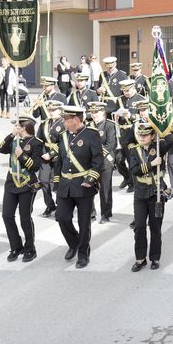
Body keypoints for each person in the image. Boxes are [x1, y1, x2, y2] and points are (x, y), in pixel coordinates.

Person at [55, 105, 103, 269]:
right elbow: (60, 160)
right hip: (65, 185)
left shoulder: (91, 135)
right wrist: (56, 181)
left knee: (84, 223)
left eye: (66, 119)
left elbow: (98, 161)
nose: (63, 122)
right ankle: (74, 243)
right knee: (62, 217)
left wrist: (90, 179)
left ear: (76, 120)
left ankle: (83, 254)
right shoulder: (62, 136)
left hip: (84, 185)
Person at [0, 114, 43, 262]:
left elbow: (35, 166)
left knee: (25, 218)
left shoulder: (36, 143)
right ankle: (16, 246)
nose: (15, 128)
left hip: (26, 183)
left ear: (24, 127)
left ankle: (30, 248)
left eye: (17, 126)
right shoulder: (14, 140)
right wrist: (11, 135)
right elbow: (1, 149)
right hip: (11, 182)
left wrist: (21, 155)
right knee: (7, 215)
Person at [129, 122, 173, 272]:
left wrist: (163, 124)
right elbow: (134, 170)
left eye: (146, 135)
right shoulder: (134, 150)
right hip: (140, 193)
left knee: (155, 227)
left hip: (156, 193)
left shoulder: (159, 147)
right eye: (140, 135)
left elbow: (171, 141)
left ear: (152, 135)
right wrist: (151, 164)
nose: (142, 137)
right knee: (139, 226)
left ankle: (155, 257)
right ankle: (140, 258)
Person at [86, 101, 117, 224]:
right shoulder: (88, 125)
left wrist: (95, 154)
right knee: (89, 187)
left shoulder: (109, 125)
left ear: (103, 112)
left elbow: (111, 144)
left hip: (105, 161)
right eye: (92, 112)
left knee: (105, 189)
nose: (94, 115)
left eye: (96, 112)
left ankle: (106, 213)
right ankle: (91, 213)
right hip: (91, 162)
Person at [114, 79, 146, 193]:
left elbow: (144, 117)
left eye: (128, 90)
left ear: (133, 88)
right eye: (124, 91)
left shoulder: (141, 99)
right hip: (121, 133)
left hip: (134, 132)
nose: (126, 93)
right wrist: (116, 115)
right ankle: (127, 177)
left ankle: (133, 182)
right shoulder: (120, 100)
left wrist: (131, 115)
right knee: (118, 159)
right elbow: (114, 112)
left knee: (132, 158)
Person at [36, 100, 65, 218]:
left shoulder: (63, 123)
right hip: (45, 155)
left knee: (56, 182)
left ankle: (61, 206)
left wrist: (52, 154)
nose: (51, 112)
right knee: (43, 181)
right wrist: (43, 153)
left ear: (60, 110)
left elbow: (64, 142)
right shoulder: (44, 123)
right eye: (50, 110)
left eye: (54, 110)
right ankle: (50, 205)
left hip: (58, 156)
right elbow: (39, 140)